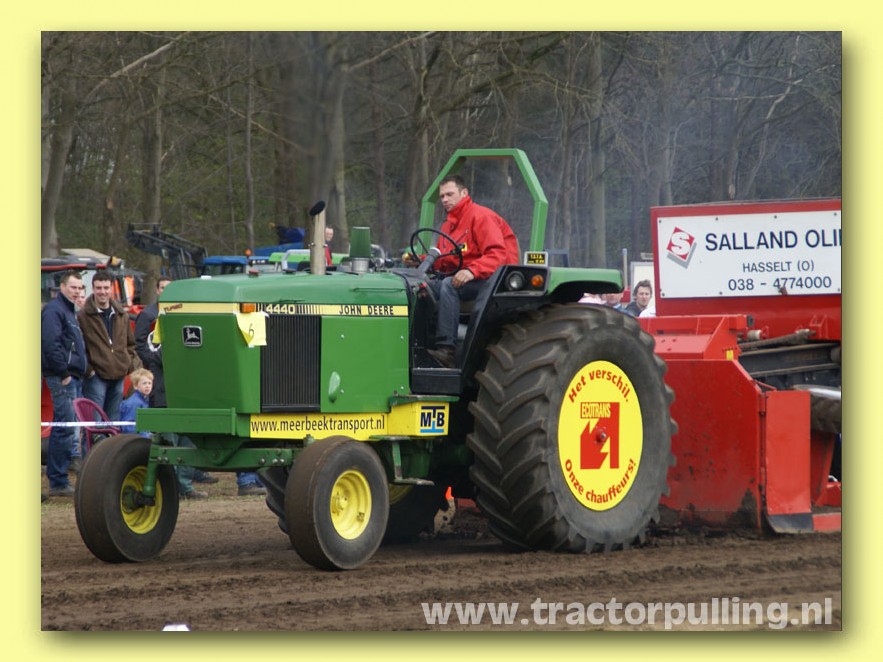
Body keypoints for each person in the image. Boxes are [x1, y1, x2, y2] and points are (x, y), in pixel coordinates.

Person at [418, 174, 519, 368]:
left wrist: (472, 271)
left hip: (492, 280)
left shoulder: (481, 217)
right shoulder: (448, 226)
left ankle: (446, 351)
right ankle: (419, 345)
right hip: (464, 278)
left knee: (449, 285)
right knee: (421, 287)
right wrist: (421, 261)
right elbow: (445, 261)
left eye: (449, 194)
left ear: (464, 193)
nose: (445, 199)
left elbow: (498, 255)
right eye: (442, 196)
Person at [134, 276, 218, 488]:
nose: (166, 291)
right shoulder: (148, 315)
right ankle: (171, 485)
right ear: (157, 290)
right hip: (160, 380)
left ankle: (185, 484)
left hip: (183, 381)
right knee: (168, 437)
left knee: (187, 435)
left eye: (170, 287)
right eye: (163, 287)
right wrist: (156, 360)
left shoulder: (182, 313)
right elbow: (141, 344)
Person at [41, 270, 88, 497]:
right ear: (62, 287)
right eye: (73, 287)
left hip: (73, 376)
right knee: (64, 427)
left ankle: (59, 478)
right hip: (62, 377)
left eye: (80, 288)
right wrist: (63, 372)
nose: (77, 291)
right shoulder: (55, 310)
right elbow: (50, 343)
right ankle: (58, 481)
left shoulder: (70, 311)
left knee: (68, 427)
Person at [78, 271, 141, 422]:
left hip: (119, 374)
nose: (103, 292)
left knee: (113, 421)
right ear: (93, 288)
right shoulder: (82, 316)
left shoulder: (122, 315)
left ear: (111, 288)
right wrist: (89, 371)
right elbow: (79, 347)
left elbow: (130, 343)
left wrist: (127, 364)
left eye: (106, 288)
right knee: (95, 422)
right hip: (96, 377)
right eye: (99, 288)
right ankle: (96, 440)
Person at [119, 368, 153, 436]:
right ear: (135, 386)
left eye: (149, 383)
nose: (147, 386)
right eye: (144, 383)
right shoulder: (133, 403)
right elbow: (129, 427)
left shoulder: (145, 400)